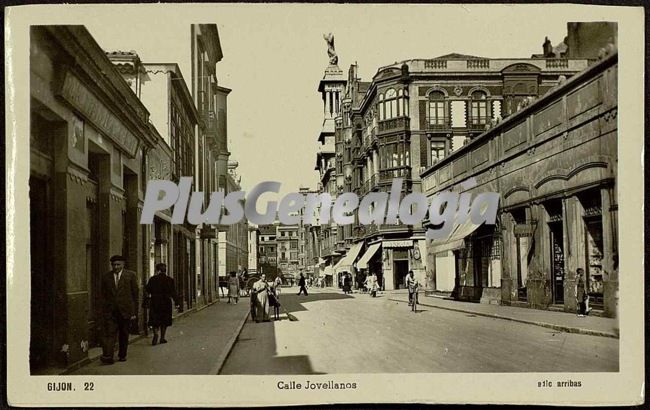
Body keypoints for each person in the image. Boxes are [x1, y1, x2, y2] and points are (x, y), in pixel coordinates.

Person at [100, 255, 139, 364]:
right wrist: (104, 310)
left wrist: (133, 312)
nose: (116, 267)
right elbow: (103, 295)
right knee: (110, 333)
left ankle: (122, 355)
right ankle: (108, 356)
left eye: (118, 264)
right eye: (113, 265)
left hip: (125, 311)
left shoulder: (130, 275)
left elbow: (135, 294)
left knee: (124, 334)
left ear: (123, 264)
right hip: (111, 311)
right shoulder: (106, 277)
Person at [145, 263, 179, 345]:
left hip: (155, 302)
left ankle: (156, 333)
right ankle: (162, 337)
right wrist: (177, 302)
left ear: (157, 270)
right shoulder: (170, 280)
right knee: (164, 320)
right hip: (166, 302)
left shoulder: (152, 279)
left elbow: (148, 290)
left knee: (155, 320)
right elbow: (173, 292)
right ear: (165, 270)